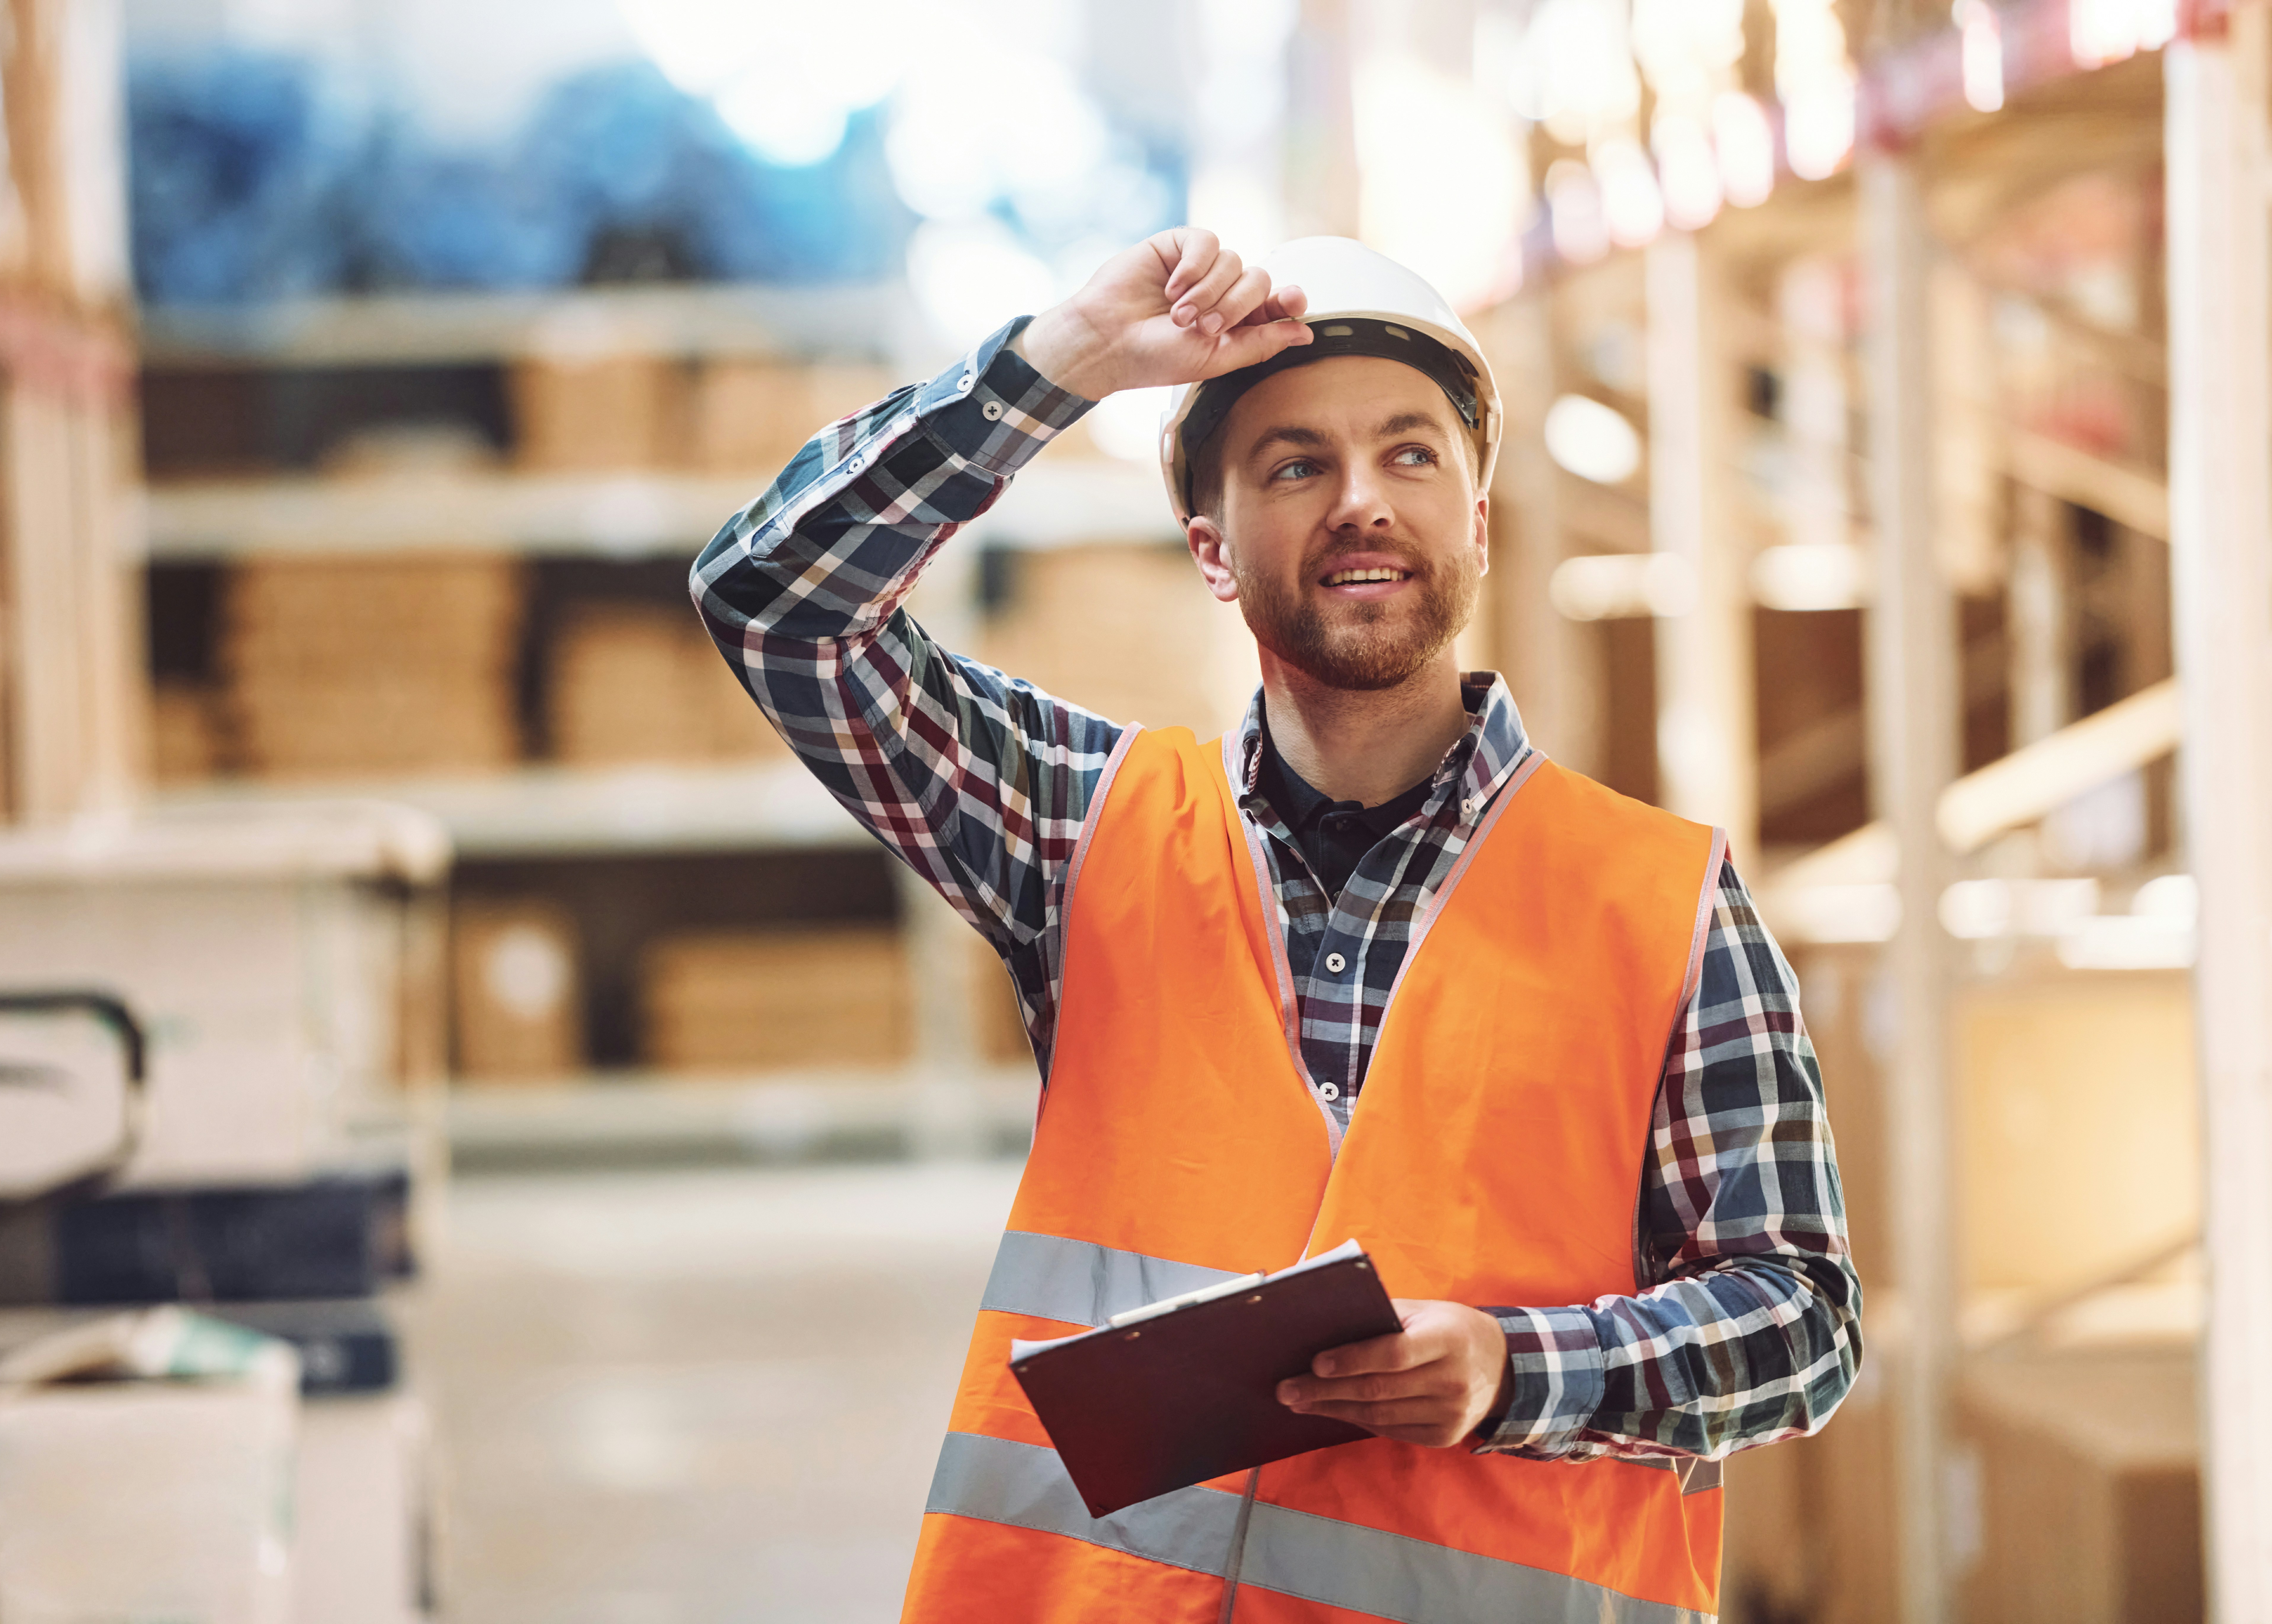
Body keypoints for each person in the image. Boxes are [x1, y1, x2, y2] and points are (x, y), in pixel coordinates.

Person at [692, 229, 1859, 1623]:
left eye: (1411, 454)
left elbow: (1804, 1320)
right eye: (1295, 464)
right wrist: (1062, 363)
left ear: (1477, 520)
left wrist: (1512, 1365)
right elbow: (776, 600)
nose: (1361, 501)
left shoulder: (1661, 898)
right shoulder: (1083, 830)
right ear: (1213, 549)